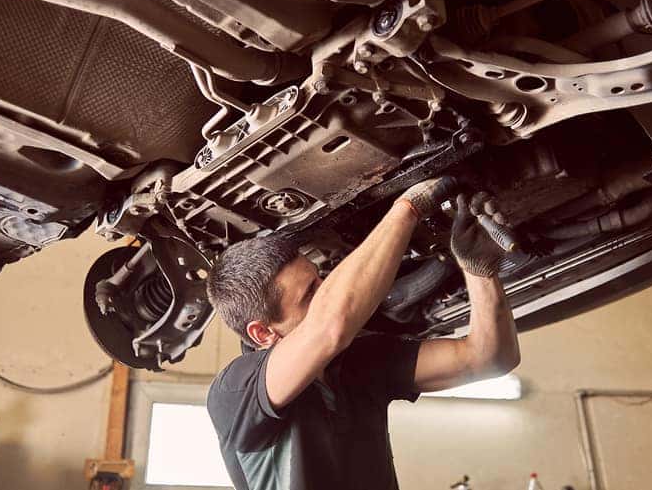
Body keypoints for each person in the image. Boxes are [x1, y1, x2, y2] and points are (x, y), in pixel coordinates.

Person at [205, 177, 521, 490]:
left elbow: (489, 359)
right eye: (310, 295)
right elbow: (329, 327)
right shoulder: (237, 390)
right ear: (262, 333)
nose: (327, 291)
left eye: (320, 280)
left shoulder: (358, 363)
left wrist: (479, 272)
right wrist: (409, 207)